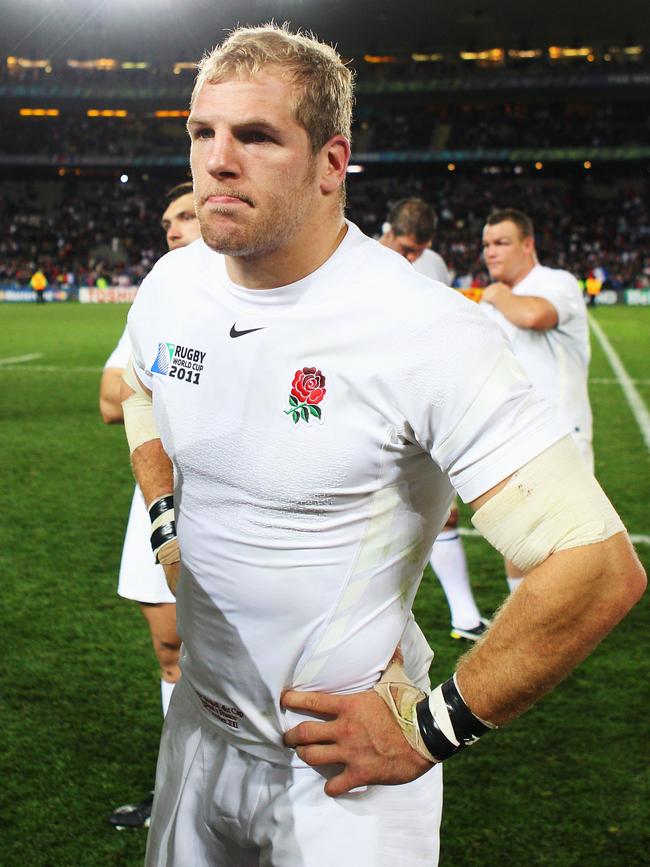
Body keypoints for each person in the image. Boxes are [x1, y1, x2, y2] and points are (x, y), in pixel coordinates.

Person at [121, 25, 645, 867]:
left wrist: (431, 727)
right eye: (202, 132)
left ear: (332, 162)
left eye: (256, 135)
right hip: (196, 739)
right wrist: (165, 524)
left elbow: (596, 564)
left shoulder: (428, 331)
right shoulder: (172, 284)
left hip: (340, 778)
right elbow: (142, 393)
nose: (218, 160)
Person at [99, 181, 200, 829]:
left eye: (185, 215)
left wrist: (159, 378)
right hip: (157, 497)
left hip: (236, 504)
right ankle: (180, 793)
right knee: (172, 649)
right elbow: (113, 398)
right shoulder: (160, 305)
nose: (172, 227)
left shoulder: (259, 294)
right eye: (167, 220)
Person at [380, 197, 488, 640]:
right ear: (388, 229)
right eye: (406, 248)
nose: (412, 259)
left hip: (425, 404)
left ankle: (464, 617)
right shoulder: (354, 260)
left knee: (444, 511)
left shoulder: (434, 265)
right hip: (373, 407)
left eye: (419, 250)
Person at [480, 208, 593, 594]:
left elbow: (534, 315)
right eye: (487, 245)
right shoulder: (490, 305)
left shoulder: (555, 282)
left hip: (562, 434)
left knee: (566, 544)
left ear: (528, 245)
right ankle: (525, 612)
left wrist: (496, 294)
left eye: (502, 243)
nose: (491, 252)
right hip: (512, 436)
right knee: (519, 536)